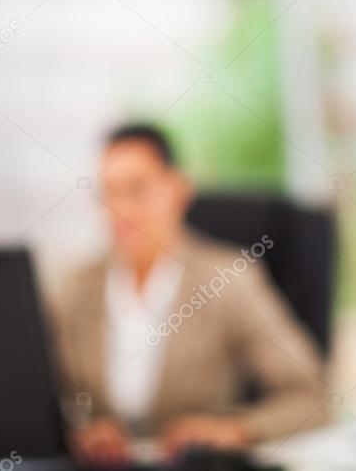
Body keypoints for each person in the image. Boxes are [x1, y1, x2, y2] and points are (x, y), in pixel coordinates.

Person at [52, 124, 328, 465]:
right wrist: (83, 431)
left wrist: (238, 429)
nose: (120, 210)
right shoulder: (77, 286)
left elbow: (310, 395)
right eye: (109, 193)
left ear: (178, 190)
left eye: (137, 190)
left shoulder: (229, 279)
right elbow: (45, 399)